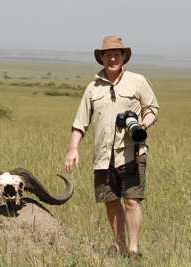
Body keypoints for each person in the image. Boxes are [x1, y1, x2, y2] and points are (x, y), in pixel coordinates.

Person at [64, 36, 159, 260]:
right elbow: (80, 122)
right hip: (102, 155)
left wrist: (141, 125)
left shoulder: (137, 81)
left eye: (117, 54)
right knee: (111, 200)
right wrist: (73, 149)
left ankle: (134, 250)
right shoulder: (92, 88)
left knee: (132, 200)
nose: (113, 58)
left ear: (124, 56)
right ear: (102, 58)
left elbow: (153, 108)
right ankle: (120, 246)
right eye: (108, 54)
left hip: (132, 153)